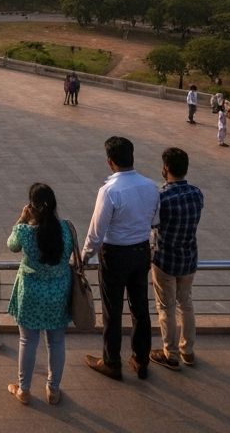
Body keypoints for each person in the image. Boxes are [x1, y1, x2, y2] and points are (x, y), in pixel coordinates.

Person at [82, 136, 159, 380]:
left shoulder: (109, 191)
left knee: (112, 310)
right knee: (140, 308)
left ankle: (112, 361)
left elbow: (96, 231)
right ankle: (140, 358)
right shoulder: (150, 186)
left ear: (110, 162)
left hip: (115, 255)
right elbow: (155, 221)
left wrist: (84, 256)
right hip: (141, 251)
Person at [5, 183, 73, 406]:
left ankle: (24, 389)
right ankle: (53, 389)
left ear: (31, 207)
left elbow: (11, 245)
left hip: (31, 293)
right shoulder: (66, 229)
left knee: (28, 341)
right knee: (56, 342)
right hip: (58, 293)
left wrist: (21, 219)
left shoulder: (25, 232)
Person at [150, 147, 204, 370]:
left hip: (165, 259)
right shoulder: (197, 193)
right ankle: (188, 351)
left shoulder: (162, 197)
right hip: (189, 258)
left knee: (166, 307)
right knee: (186, 303)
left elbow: (152, 224)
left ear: (166, 168)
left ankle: (170, 353)